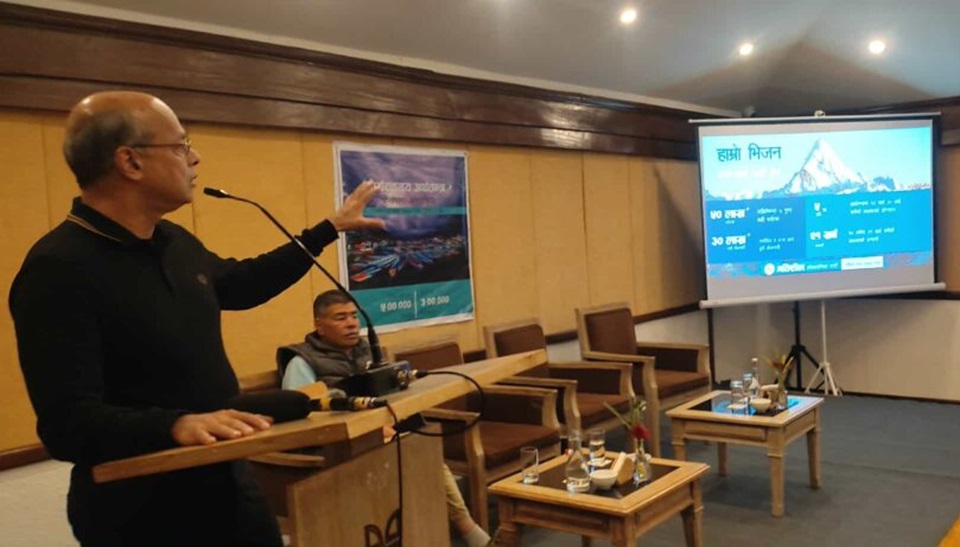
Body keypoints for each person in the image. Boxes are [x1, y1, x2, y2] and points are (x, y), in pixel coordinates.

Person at [8, 91, 385, 547]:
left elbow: (244, 284)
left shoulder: (173, 241)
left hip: (227, 482)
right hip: (141, 510)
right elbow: (67, 425)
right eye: (181, 145)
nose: (195, 157)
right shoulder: (59, 269)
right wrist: (173, 424)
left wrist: (330, 229)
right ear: (130, 162)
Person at [279, 290, 492, 547]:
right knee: (412, 450)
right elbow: (303, 419)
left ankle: (443, 532)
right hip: (333, 450)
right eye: (340, 318)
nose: (351, 324)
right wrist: (370, 429)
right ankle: (468, 530)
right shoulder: (301, 363)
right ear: (319, 326)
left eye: (354, 316)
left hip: (381, 436)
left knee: (421, 443)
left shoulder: (367, 352)